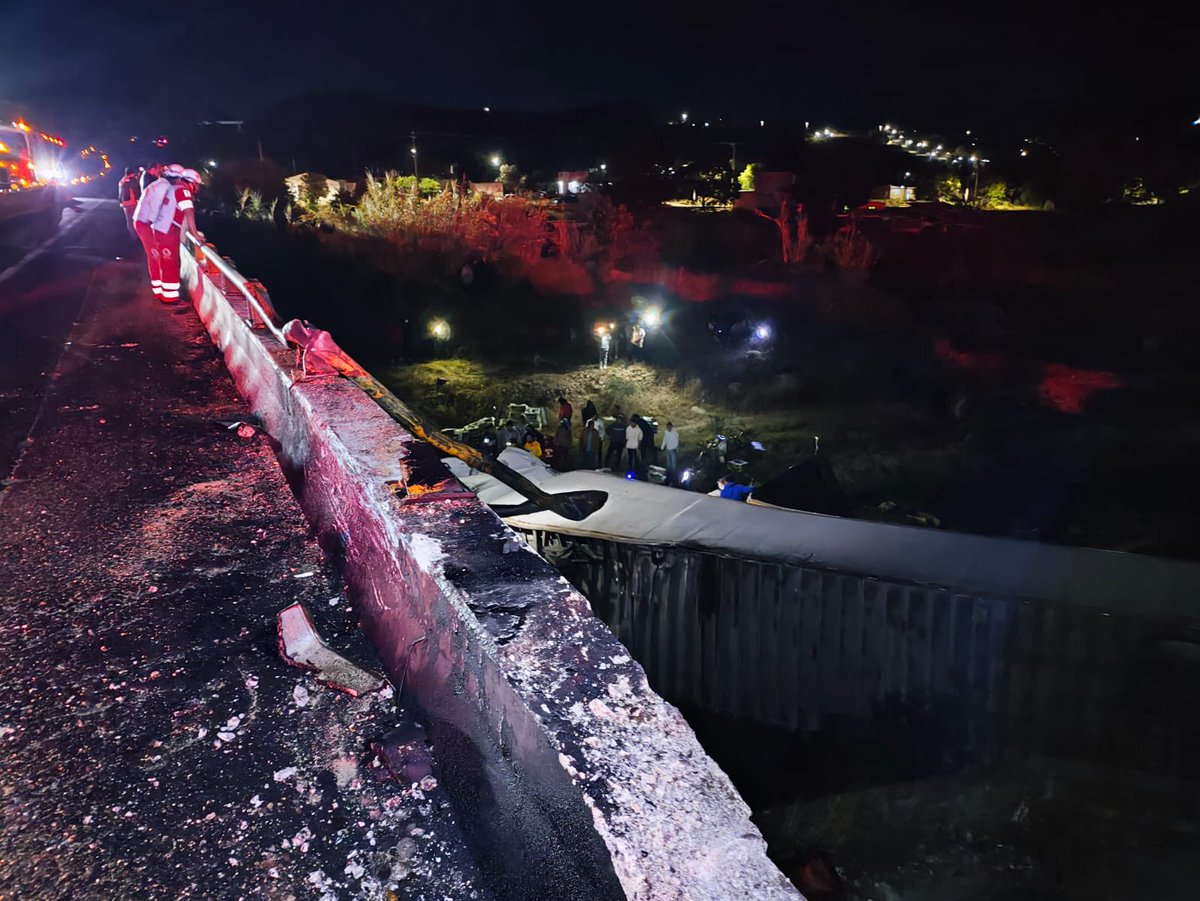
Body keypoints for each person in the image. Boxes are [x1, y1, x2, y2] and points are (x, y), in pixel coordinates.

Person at [151, 167, 201, 303]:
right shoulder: (183, 190)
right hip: (168, 231)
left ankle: (165, 294)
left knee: (166, 263)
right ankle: (170, 298)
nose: (197, 188)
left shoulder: (173, 189)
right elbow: (189, 211)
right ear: (192, 183)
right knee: (170, 264)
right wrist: (195, 233)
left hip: (161, 229)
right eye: (197, 185)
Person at [131, 164, 178, 300]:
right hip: (146, 223)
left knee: (155, 256)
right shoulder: (165, 187)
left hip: (143, 221)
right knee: (156, 256)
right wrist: (155, 226)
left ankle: (159, 290)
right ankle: (163, 295)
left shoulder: (159, 184)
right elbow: (155, 208)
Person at [117, 167, 141, 238]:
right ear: (132, 173)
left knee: (129, 222)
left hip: (124, 203)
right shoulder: (133, 181)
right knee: (134, 220)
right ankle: (136, 237)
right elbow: (137, 192)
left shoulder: (122, 180)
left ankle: (133, 236)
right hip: (132, 202)